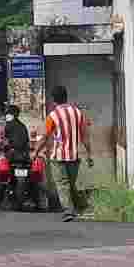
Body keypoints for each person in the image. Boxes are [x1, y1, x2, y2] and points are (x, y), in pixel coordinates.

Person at [41, 85, 94, 221]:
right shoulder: (78, 113)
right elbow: (84, 136)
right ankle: (82, 206)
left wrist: (36, 152)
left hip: (57, 157)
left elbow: (45, 136)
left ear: (53, 100)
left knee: (62, 184)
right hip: (74, 157)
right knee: (69, 184)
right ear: (66, 97)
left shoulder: (52, 116)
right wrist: (89, 154)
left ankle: (69, 210)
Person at [0, 106, 46, 212]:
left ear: (12, 115)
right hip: (24, 157)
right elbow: (25, 142)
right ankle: (38, 202)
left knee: (2, 179)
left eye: (8, 113)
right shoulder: (23, 126)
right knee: (33, 181)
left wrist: (3, 146)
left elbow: (4, 141)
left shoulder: (8, 126)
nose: (7, 115)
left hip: (12, 157)